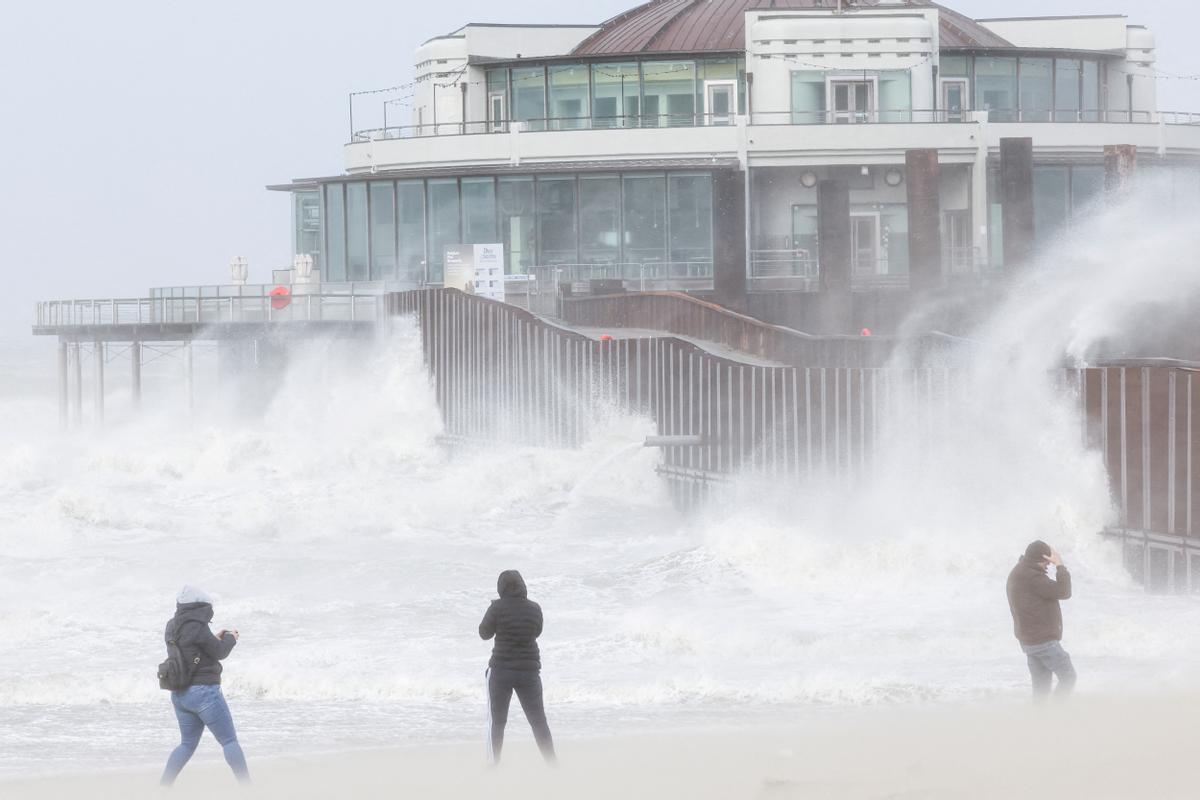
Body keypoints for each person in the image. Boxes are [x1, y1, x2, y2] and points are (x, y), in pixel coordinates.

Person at [160, 586, 250, 786]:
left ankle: (162, 788)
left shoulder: (172, 626)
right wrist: (230, 638)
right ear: (202, 607)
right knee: (229, 741)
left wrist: (213, 638)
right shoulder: (198, 627)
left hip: (180, 695)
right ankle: (248, 789)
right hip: (203, 693)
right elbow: (219, 652)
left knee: (186, 744)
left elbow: (191, 650)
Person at [479, 570, 556, 764]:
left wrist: (495, 612)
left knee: (497, 722)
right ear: (523, 586)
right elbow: (537, 631)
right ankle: (553, 764)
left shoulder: (497, 608)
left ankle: (493, 765)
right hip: (529, 672)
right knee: (538, 722)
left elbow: (484, 633)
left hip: (501, 671)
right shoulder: (534, 608)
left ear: (500, 588)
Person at [1006, 541, 1076, 700]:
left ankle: (1040, 720)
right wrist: (1060, 566)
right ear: (1041, 558)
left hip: (1029, 641)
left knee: (1041, 689)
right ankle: (1056, 713)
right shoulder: (1033, 578)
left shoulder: (1019, 571)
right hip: (1042, 641)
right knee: (1068, 676)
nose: (1048, 566)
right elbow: (1064, 591)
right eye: (1047, 562)